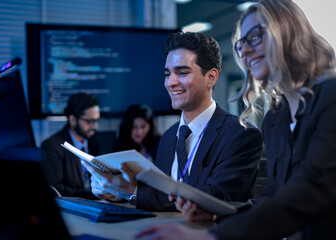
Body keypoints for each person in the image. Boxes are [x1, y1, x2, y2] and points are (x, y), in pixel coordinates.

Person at [136, 0, 336, 239]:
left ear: (288, 33)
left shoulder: (331, 96)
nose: (245, 51)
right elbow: (274, 196)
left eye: (255, 37)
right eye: (242, 43)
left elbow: (310, 192)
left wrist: (211, 237)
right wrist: (217, 214)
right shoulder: (276, 118)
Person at [82, 31, 263, 210]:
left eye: (182, 73)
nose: (170, 82)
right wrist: (118, 192)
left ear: (211, 77)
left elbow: (218, 196)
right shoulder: (168, 137)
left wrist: (134, 192)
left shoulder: (241, 134)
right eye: (168, 74)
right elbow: (158, 196)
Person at [40, 92, 100, 200]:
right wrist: (93, 194)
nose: (95, 126)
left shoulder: (94, 143)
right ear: (72, 120)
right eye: (89, 121)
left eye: (96, 120)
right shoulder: (52, 146)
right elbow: (56, 190)